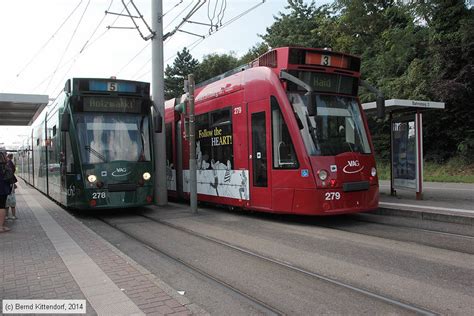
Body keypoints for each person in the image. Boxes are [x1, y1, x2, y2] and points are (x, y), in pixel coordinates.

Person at [0, 152, 13, 233]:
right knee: (2, 207)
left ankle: (1, 226)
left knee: (1, 207)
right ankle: (1, 226)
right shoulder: (5, 166)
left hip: (1, 189)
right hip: (3, 189)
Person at [6, 153, 17, 220]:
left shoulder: (7, 163)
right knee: (12, 202)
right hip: (9, 186)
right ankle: (13, 216)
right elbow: (12, 172)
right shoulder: (10, 163)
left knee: (6, 204)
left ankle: (6, 216)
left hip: (6, 187)